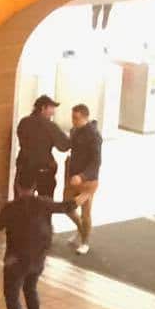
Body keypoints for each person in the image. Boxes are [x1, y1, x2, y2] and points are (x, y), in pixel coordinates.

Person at [0, 169, 79, 309]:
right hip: (38, 258)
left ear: (17, 186)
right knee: (30, 289)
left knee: (12, 296)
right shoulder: (43, 203)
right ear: (34, 187)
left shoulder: (11, 208)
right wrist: (85, 194)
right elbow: (66, 206)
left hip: (16, 260)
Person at [64, 104, 102, 255]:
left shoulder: (94, 135)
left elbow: (96, 161)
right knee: (67, 207)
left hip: (88, 181)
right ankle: (81, 230)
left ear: (85, 117)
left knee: (85, 212)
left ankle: (85, 242)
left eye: (76, 118)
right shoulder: (74, 131)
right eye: (72, 117)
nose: (73, 121)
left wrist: (82, 176)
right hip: (73, 177)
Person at [15, 95, 71, 199]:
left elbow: (21, 139)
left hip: (25, 167)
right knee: (46, 202)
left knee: (23, 202)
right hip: (44, 170)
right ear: (43, 108)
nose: (53, 112)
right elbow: (64, 146)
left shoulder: (24, 122)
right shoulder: (49, 126)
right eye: (51, 108)